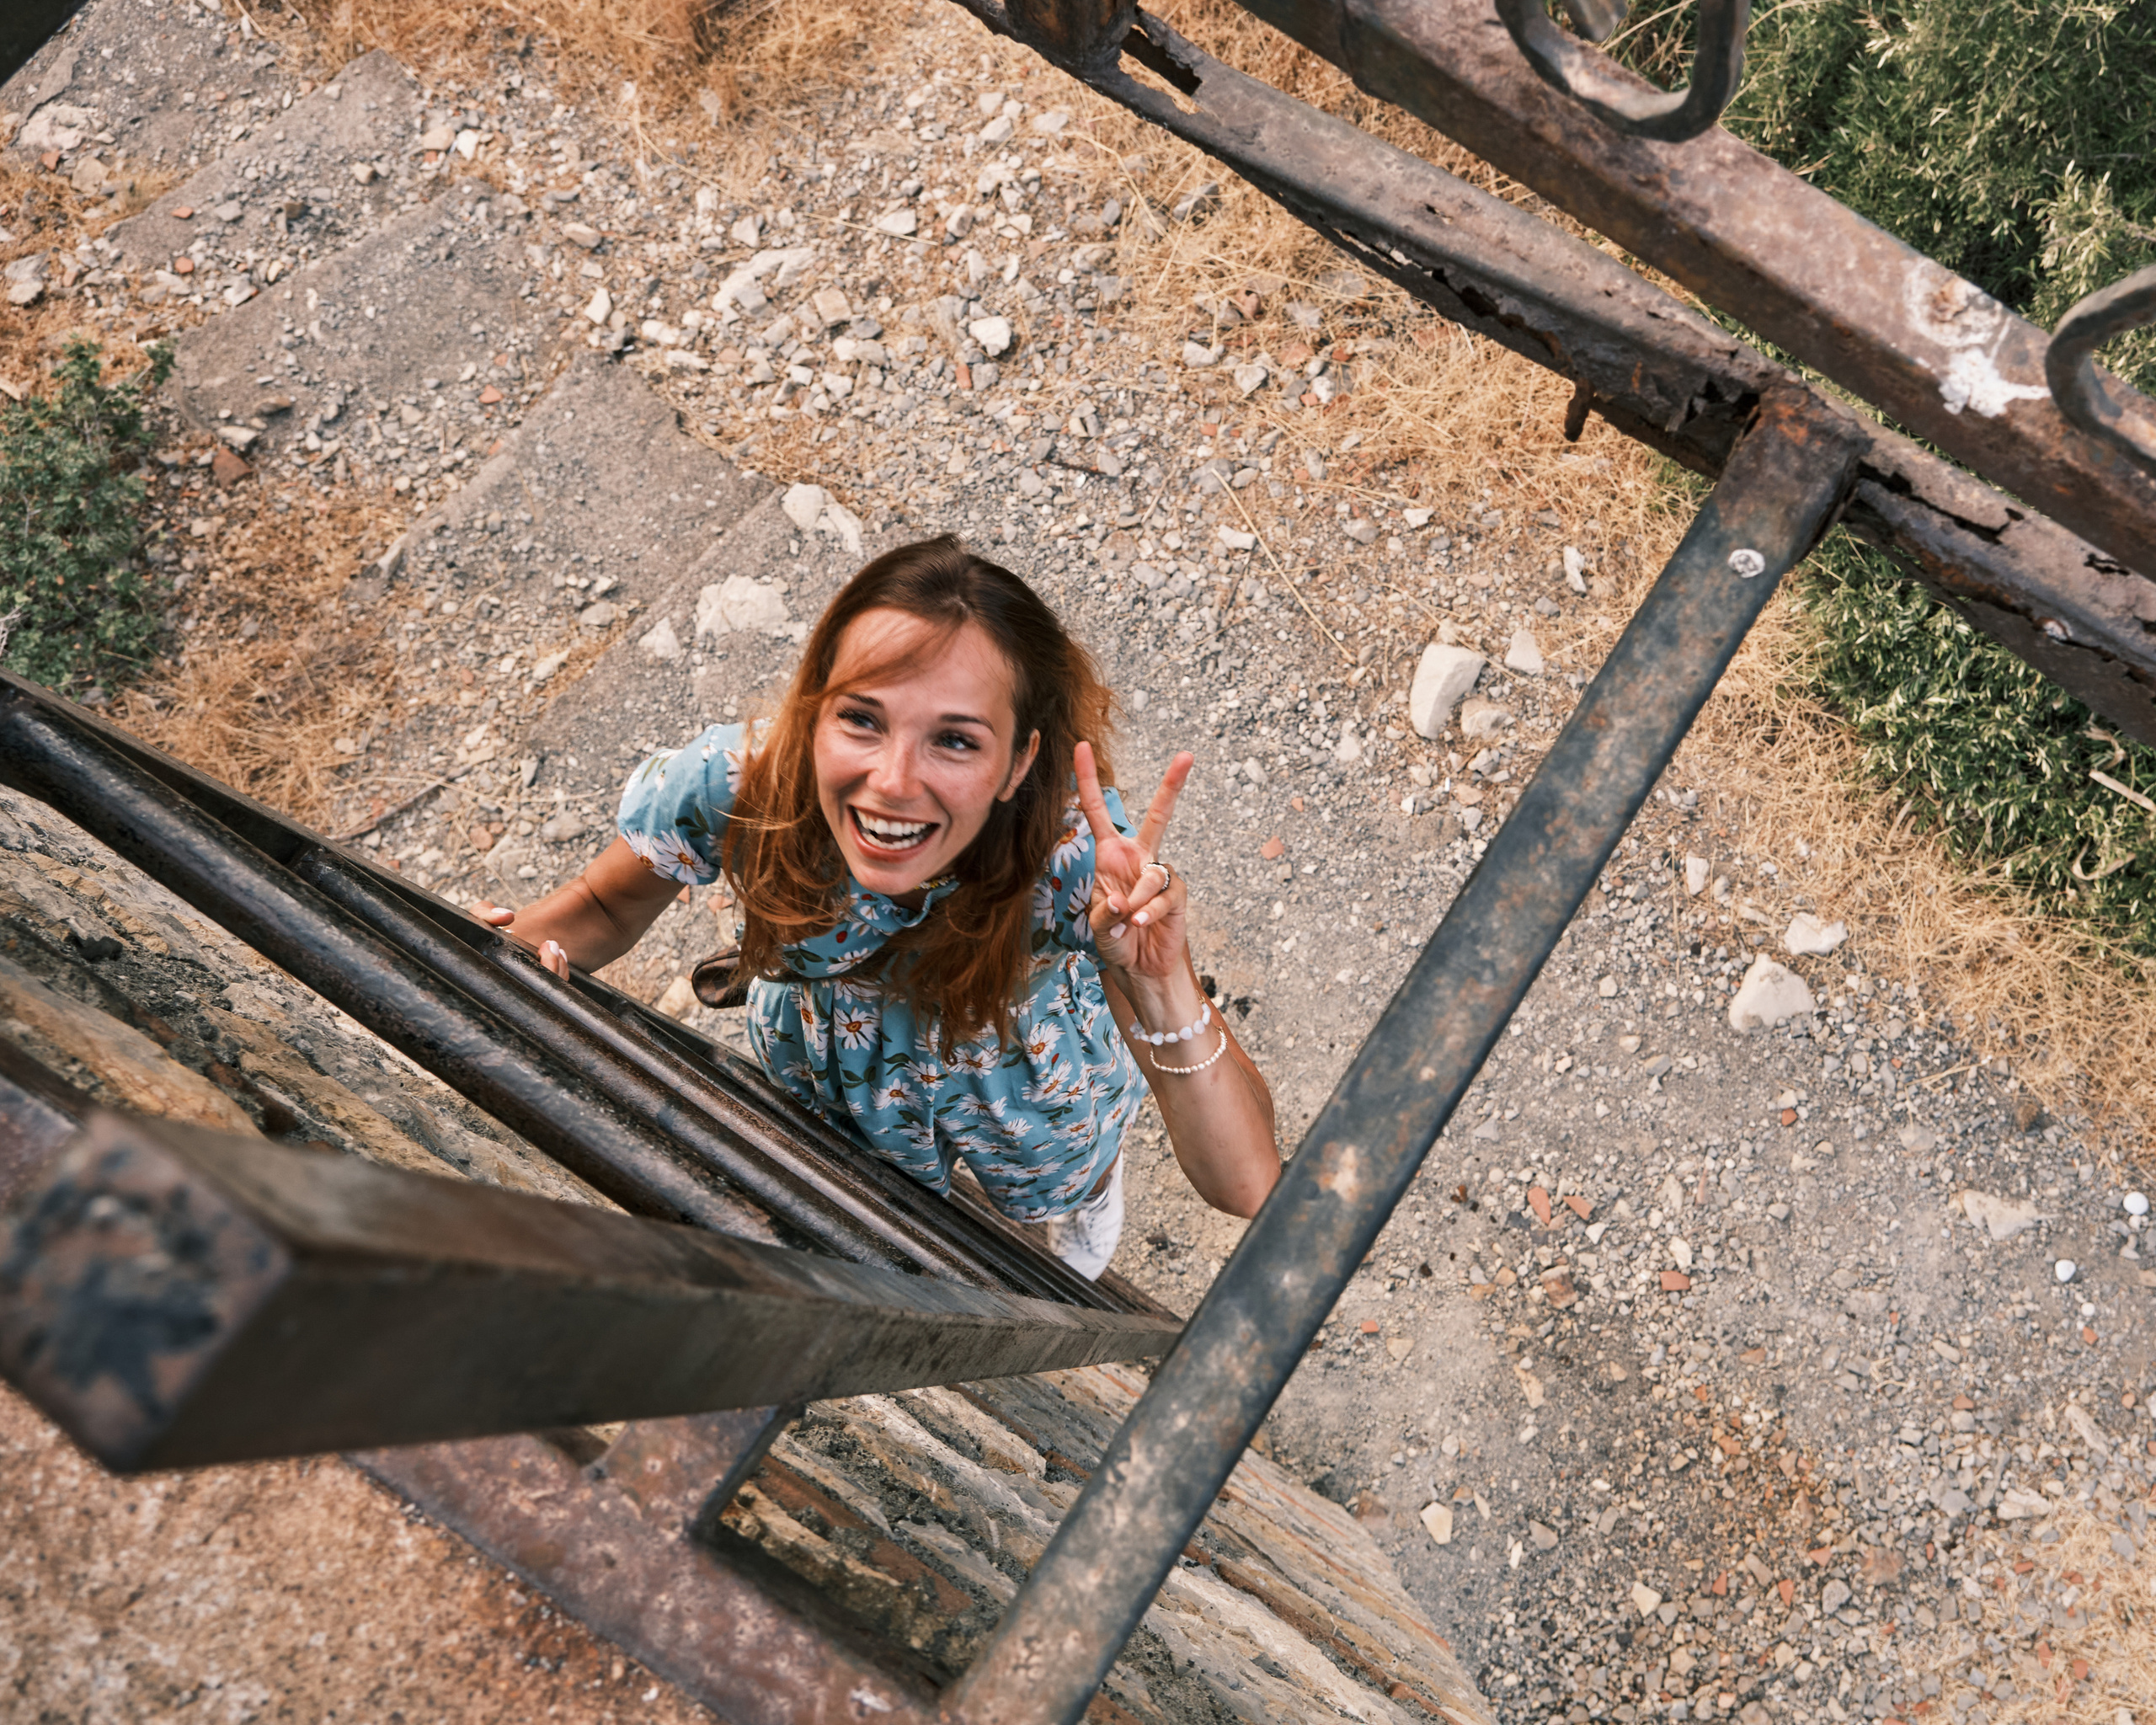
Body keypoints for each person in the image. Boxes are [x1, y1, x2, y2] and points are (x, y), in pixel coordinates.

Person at [477, 535, 1278, 1278]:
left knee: (1074, 1188)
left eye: (955, 740)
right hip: (831, 1072)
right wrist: (492, 962)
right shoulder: (734, 790)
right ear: (813, 711)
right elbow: (602, 907)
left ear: (1017, 762)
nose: (894, 781)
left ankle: (1086, 1209)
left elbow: (1246, 1186)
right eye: (861, 718)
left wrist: (1163, 975)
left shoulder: (1072, 862)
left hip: (1033, 1090)